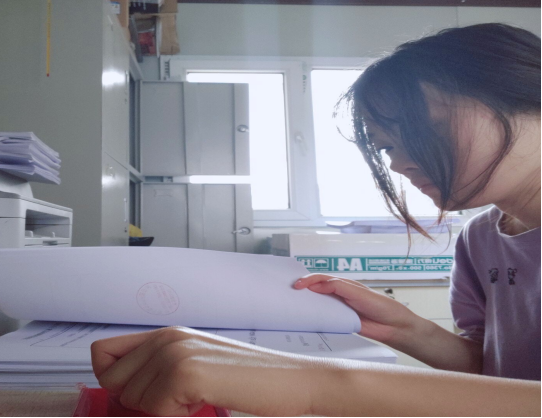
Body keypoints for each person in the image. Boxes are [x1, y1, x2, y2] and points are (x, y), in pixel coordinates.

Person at [90, 23, 541, 416]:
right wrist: (405, 328)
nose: (400, 163)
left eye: (427, 129)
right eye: (386, 147)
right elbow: (496, 373)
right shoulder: (480, 238)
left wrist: (315, 383)